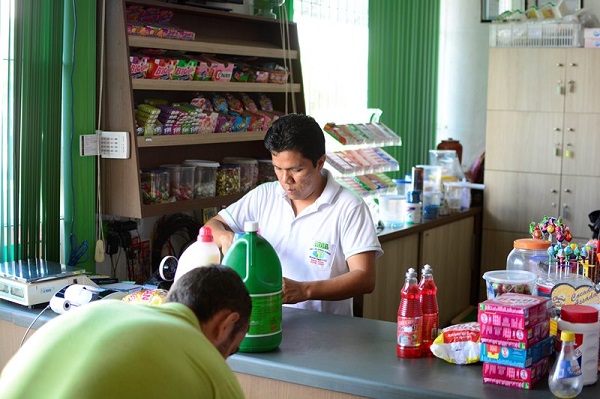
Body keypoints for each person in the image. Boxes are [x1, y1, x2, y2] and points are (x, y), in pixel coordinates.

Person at [205, 113, 383, 316]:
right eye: (277, 168)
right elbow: (212, 225)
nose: (285, 179)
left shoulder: (349, 207)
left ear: (320, 162)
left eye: (296, 170)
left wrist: (304, 290)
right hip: (268, 319)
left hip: (329, 333)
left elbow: (365, 278)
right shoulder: (265, 195)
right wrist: (224, 237)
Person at [0, 265, 251, 399]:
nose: (224, 360)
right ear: (226, 324)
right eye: (231, 349)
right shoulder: (211, 371)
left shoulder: (102, 309)